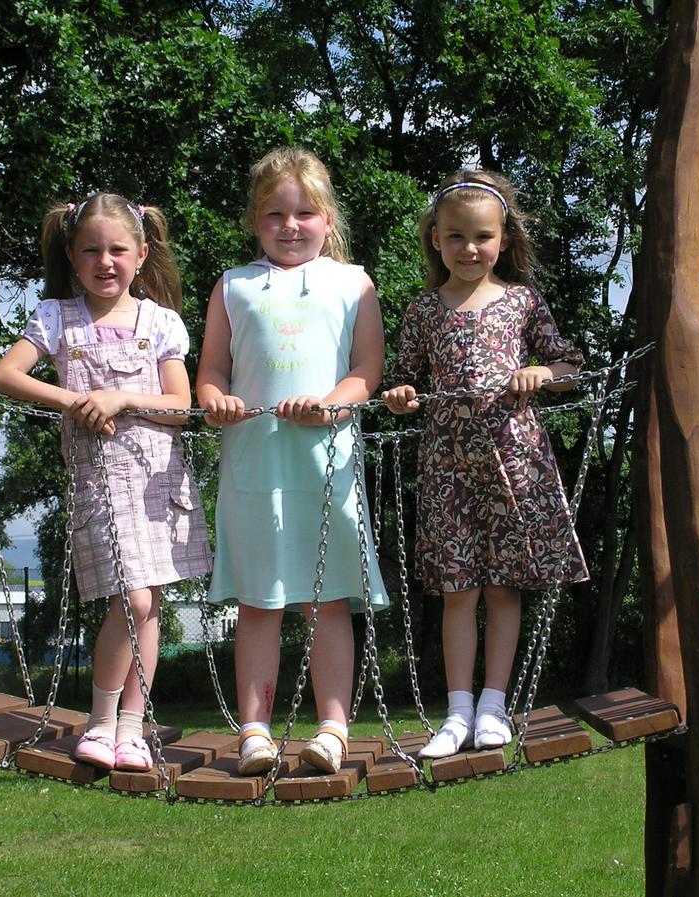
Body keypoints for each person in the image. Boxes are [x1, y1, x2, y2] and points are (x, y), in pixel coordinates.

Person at [0, 191, 211, 772]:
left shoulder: (160, 322)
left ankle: (131, 729)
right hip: (100, 486)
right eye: (91, 250)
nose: (105, 262)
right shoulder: (56, 318)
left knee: (148, 603)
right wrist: (75, 400)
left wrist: (120, 398)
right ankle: (102, 721)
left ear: (141, 255)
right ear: (71, 254)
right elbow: (6, 374)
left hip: (158, 486)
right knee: (130, 599)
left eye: (117, 250)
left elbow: (180, 406)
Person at [382, 170, 589, 759]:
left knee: (503, 588)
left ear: (503, 239)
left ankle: (494, 706)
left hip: (513, 461)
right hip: (447, 466)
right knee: (458, 591)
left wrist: (542, 372)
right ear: (436, 239)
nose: (469, 248)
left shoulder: (523, 301)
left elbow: (570, 365)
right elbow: (403, 379)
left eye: (482, 237)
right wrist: (401, 395)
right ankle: (457, 712)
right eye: (455, 236)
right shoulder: (424, 309)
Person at [196, 147, 389, 776]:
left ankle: (333, 729)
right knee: (259, 602)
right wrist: (216, 400)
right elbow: (212, 371)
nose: (290, 225)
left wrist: (332, 405)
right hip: (254, 465)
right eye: (275, 214)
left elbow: (366, 369)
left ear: (327, 219)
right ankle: (254, 733)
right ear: (255, 220)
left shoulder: (354, 282)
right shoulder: (233, 285)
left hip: (326, 466)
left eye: (305, 212)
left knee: (326, 600)